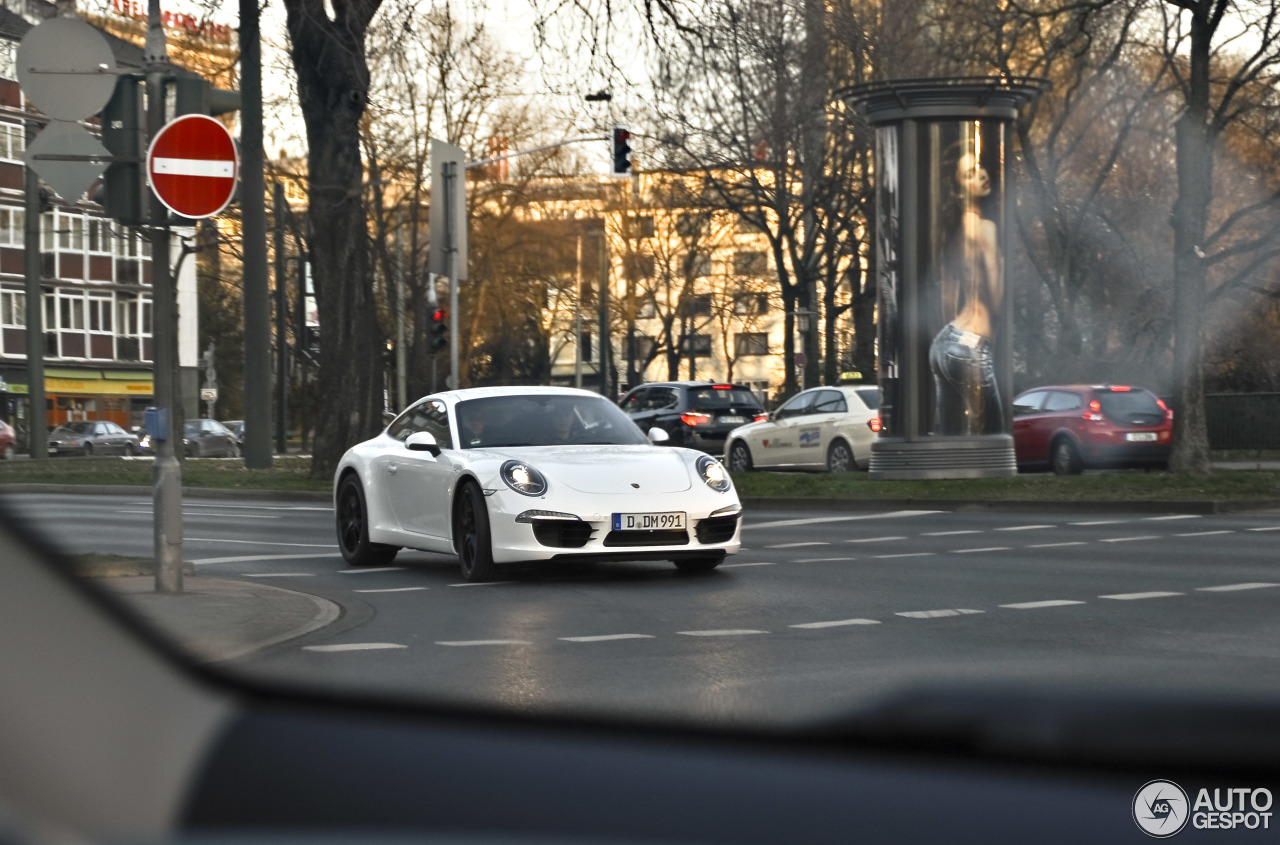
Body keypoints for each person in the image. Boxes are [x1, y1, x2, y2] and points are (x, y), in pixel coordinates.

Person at [928, 143, 1004, 437]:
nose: (982, 174)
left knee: (950, 434)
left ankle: (948, 477)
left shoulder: (954, 231)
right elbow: (996, 297)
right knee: (992, 433)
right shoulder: (986, 228)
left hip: (944, 342)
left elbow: (948, 295)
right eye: (970, 174)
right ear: (960, 190)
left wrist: (953, 340)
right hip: (972, 345)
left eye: (980, 167)